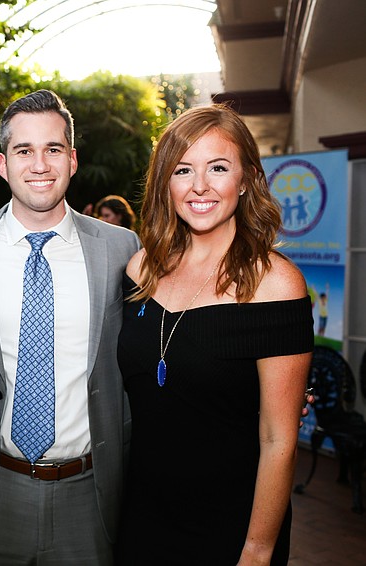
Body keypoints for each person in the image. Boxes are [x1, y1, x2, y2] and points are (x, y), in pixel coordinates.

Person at [0, 89, 140, 564]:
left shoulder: (121, 249)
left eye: (53, 149)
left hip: (91, 494)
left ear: (73, 160)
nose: (40, 164)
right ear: (3, 164)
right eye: (24, 150)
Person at [116, 104, 313, 565]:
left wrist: (257, 552)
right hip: (141, 517)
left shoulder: (276, 283)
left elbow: (279, 439)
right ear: (166, 182)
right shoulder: (140, 269)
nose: (199, 185)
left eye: (218, 168)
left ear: (245, 180)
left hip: (231, 527)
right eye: (183, 169)